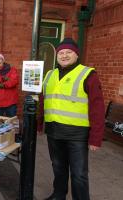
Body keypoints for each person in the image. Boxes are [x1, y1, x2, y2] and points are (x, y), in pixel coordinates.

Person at [38, 38, 105, 200]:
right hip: (54, 132)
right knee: (58, 168)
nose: (64, 55)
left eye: (69, 52)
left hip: (77, 134)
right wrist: (40, 125)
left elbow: (97, 108)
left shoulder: (88, 74)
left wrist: (95, 138)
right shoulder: (49, 74)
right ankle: (59, 195)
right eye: (61, 52)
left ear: (76, 54)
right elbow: (42, 100)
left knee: (79, 173)